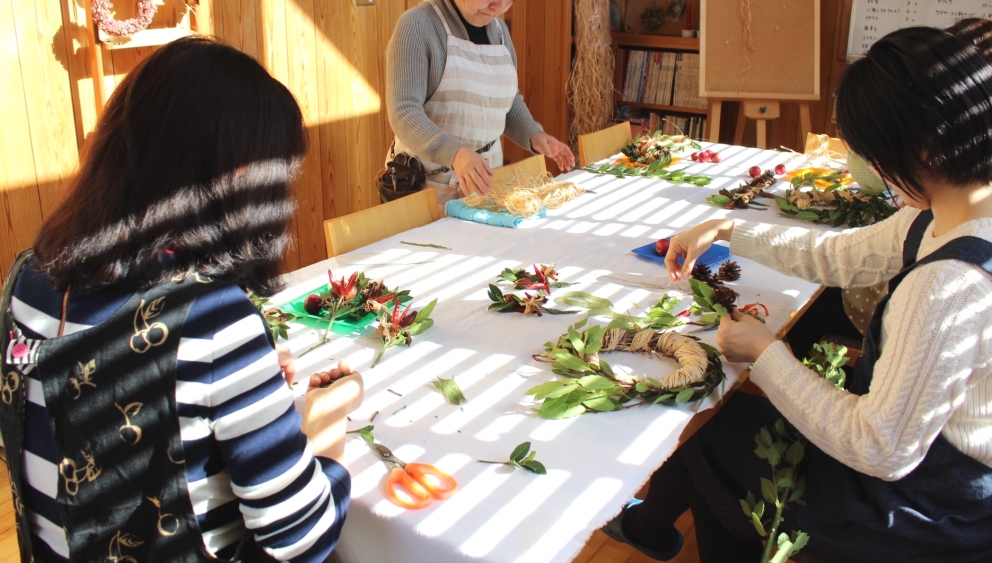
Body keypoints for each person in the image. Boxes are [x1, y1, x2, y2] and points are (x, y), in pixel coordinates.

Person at [602, 26, 992, 562]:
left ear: (923, 147)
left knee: (710, 435)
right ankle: (653, 530)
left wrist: (765, 355)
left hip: (929, 510)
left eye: (877, 158)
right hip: (942, 472)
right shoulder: (949, 215)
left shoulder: (946, 285)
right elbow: (837, 257)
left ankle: (663, 531)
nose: (879, 178)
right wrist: (725, 230)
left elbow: (880, 448)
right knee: (722, 436)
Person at [0, 37, 363, 562]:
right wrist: (326, 422)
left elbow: (83, 407)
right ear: (238, 178)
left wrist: (217, 391)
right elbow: (301, 539)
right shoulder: (214, 321)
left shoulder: (25, 280)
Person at [385, 0, 576, 207]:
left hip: (486, 177)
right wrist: (455, 154)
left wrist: (533, 134)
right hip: (426, 182)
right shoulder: (417, 25)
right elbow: (404, 113)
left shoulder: (500, 31)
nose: (499, 7)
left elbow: (507, 98)